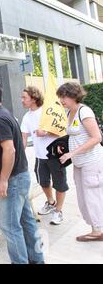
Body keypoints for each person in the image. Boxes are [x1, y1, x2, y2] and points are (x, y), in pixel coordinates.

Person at [0, 82, 44, 264]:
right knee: (27, 222)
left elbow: (10, 150)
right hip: (21, 175)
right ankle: (37, 259)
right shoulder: (5, 114)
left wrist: (3, 180)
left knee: (9, 226)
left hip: (13, 179)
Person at [56, 82, 103, 242]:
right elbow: (75, 135)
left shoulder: (84, 111)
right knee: (84, 197)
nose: (61, 100)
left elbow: (97, 137)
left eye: (63, 96)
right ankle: (95, 228)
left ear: (73, 95)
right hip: (79, 162)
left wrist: (72, 152)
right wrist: (65, 148)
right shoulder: (70, 111)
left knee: (92, 196)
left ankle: (98, 231)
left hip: (91, 161)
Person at [20, 86, 68, 225]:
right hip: (40, 156)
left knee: (59, 184)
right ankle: (51, 201)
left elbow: (62, 131)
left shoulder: (47, 111)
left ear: (34, 98)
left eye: (24, 98)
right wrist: (20, 156)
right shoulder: (26, 117)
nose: (22, 100)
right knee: (43, 182)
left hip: (55, 156)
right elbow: (23, 137)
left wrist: (45, 133)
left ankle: (58, 211)